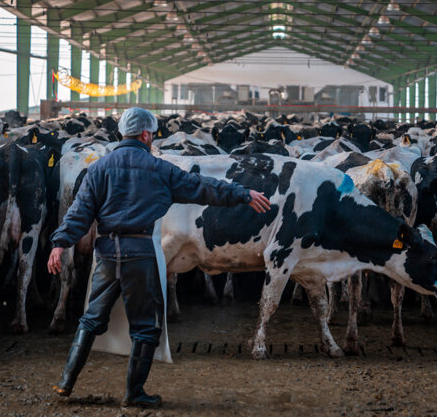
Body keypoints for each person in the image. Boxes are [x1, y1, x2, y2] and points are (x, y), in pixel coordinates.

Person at [47, 107, 270, 408]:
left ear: (121, 133)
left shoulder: (99, 168)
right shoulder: (159, 169)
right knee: (146, 327)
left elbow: (79, 212)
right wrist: (242, 193)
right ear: (146, 135)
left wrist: (59, 244)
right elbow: (202, 187)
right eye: (152, 133)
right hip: (139, 254)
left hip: (108, 255)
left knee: (91, 317)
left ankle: (65, 382)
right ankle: (134, 392)